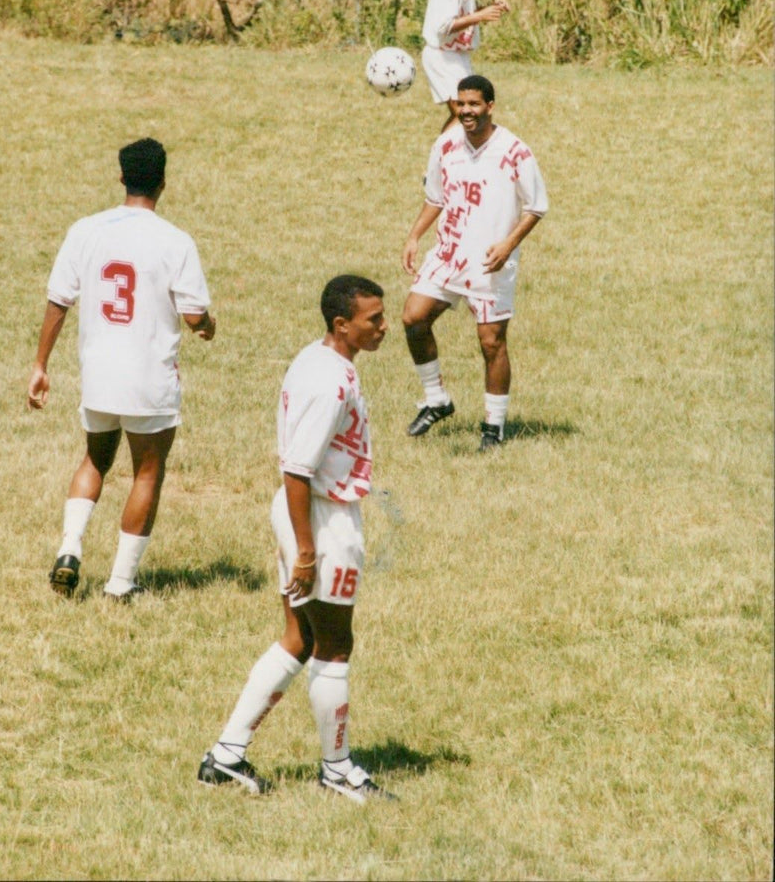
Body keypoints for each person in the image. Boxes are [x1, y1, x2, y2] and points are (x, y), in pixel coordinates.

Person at [198, 275, 395, 804]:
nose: (383, 326)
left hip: (304, 515)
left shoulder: (317, 358)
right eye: (373, 319)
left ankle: (225, 755)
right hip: (321, 520)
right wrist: (307, 551)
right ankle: (338, 770)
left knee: (299, 639)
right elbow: (297, 469)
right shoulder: (329, 384)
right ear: (342, 324)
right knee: (334, 645)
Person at [27, 137, 216, 600]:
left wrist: (40, 364)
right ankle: (120, 583)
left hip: (99, 375)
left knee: (95, 459)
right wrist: (209, 325)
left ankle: (70, 547)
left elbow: (59, 299)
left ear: (121, 177)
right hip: (149, 379)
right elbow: (194, 317)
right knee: (147, 472)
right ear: (164, 182)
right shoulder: (175, 240)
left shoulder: (86, 229)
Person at [401, 75, 548, 451]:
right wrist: (415, 235)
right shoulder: (445, 145)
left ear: (490, 106)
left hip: (489, 263)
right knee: (413, 317)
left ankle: (493, 427)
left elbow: (535, 207)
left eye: (474, 104)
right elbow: (435, 197)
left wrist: (508, 245)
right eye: (461, 104)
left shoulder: (515, 151)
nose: (466, 111)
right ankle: (436, 399)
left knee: (491, 342)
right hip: (449, 254)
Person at [421, 0, 508, 134]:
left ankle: (450, 162)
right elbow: (444, 25)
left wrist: (489, 8)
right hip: (442, 56)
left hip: (455, 56)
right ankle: (440, 163)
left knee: (467, 115)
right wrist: (480, 16)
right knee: (464, 115)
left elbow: (462, 16)